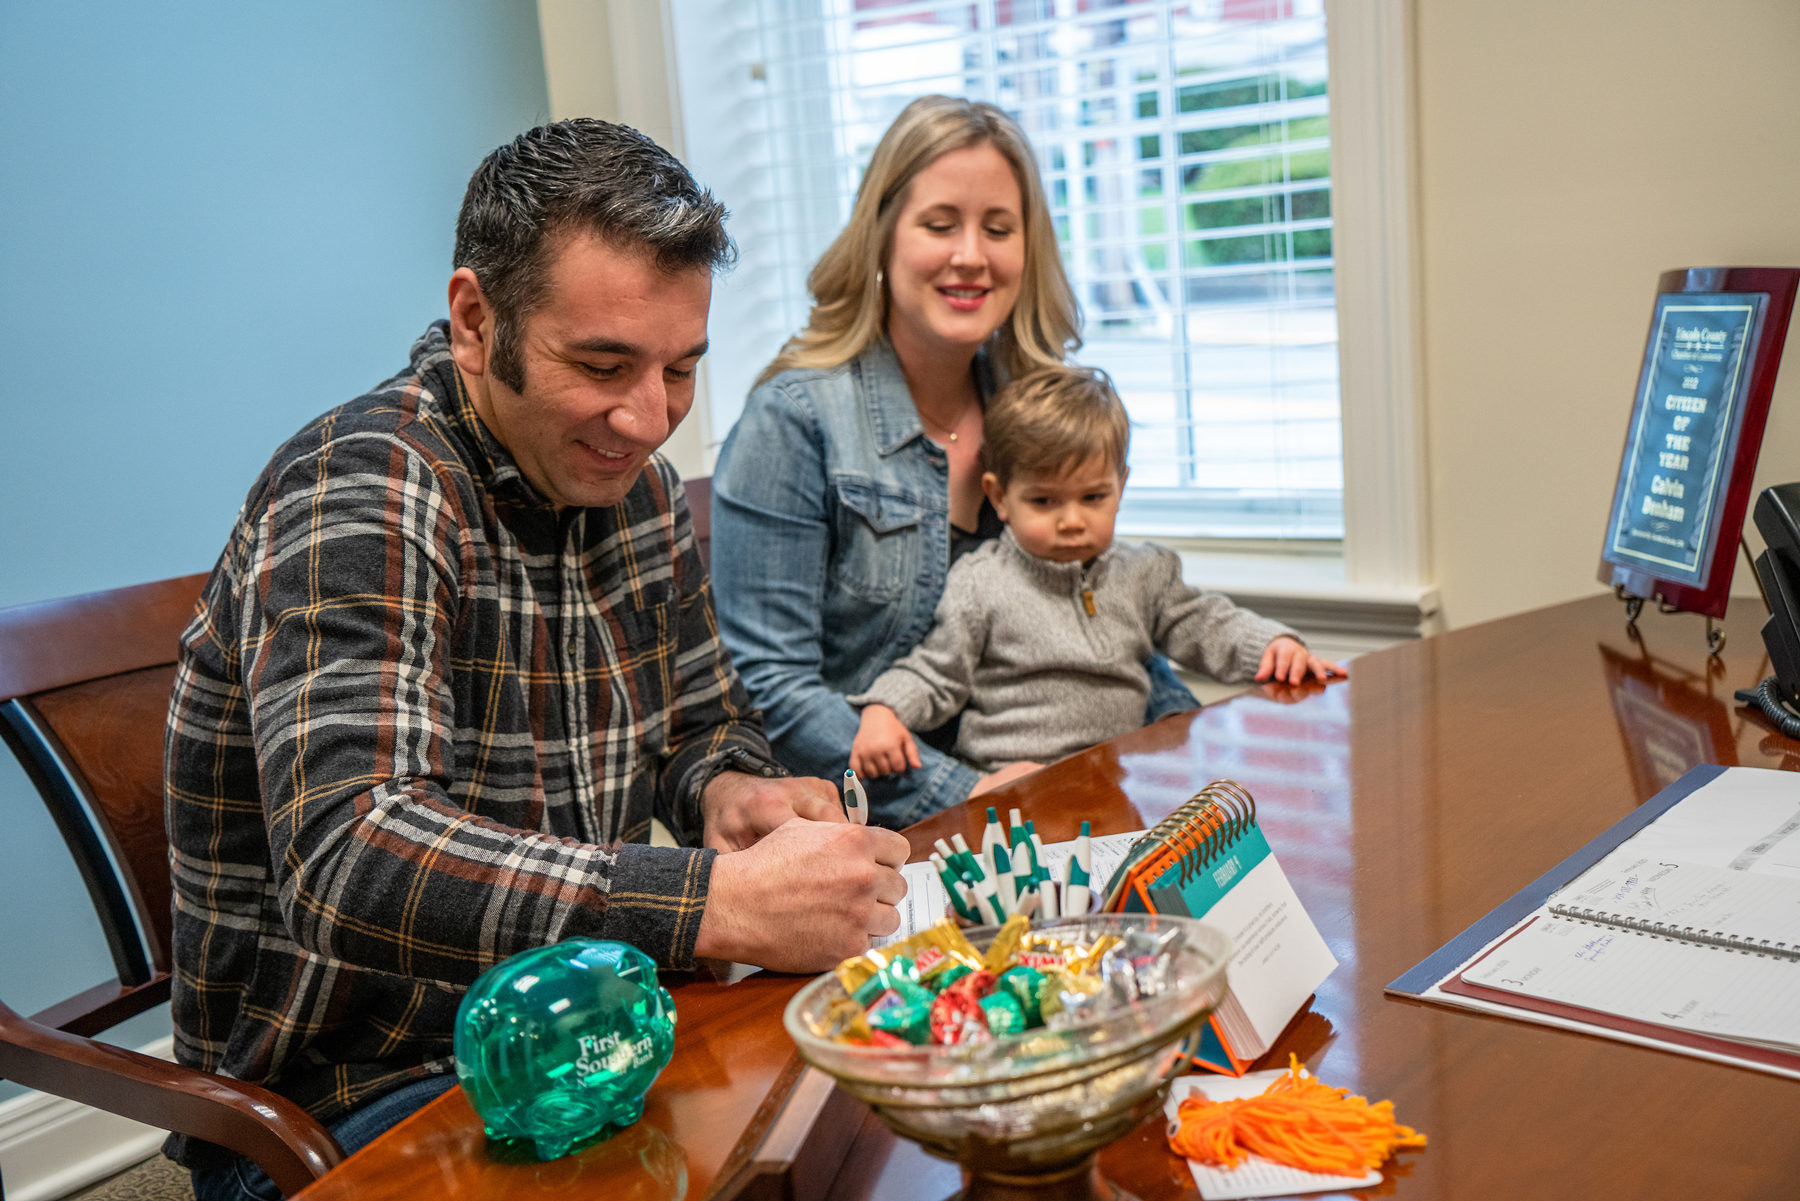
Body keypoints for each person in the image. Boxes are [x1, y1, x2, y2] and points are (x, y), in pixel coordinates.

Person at [163, 119, 909, 1200]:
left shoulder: (633, 484)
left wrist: (731, 787)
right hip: (356, 1095)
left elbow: (701, 723)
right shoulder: (364, 486)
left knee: (877, 1122)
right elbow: (348, 848)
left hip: (589, 1021)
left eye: (681, 369)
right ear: (476, 320)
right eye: (603, 363)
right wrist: (710, 904)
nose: (648, 417)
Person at [710, 95, 1198, 830]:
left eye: (998, 228)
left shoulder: (1035, 405)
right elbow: (769, 687)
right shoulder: (794, 420)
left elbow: (1104, 614)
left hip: (1054, 808)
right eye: (940, 224)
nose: (970, 254)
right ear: (882, 235)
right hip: (867, 834)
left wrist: (1185, 743)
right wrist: (970, 793)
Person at [847, 367, 1344, 779]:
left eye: (1093, 498)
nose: (1071, 520)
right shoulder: (980, 583)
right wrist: (885, 711)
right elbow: (936, 672)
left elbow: (1206, 623)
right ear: (999, 497)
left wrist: (1272, 645)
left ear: (1120, 488)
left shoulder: (1145, 573)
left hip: (1116, 782)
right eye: (1043, 501)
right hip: (1011, 788)